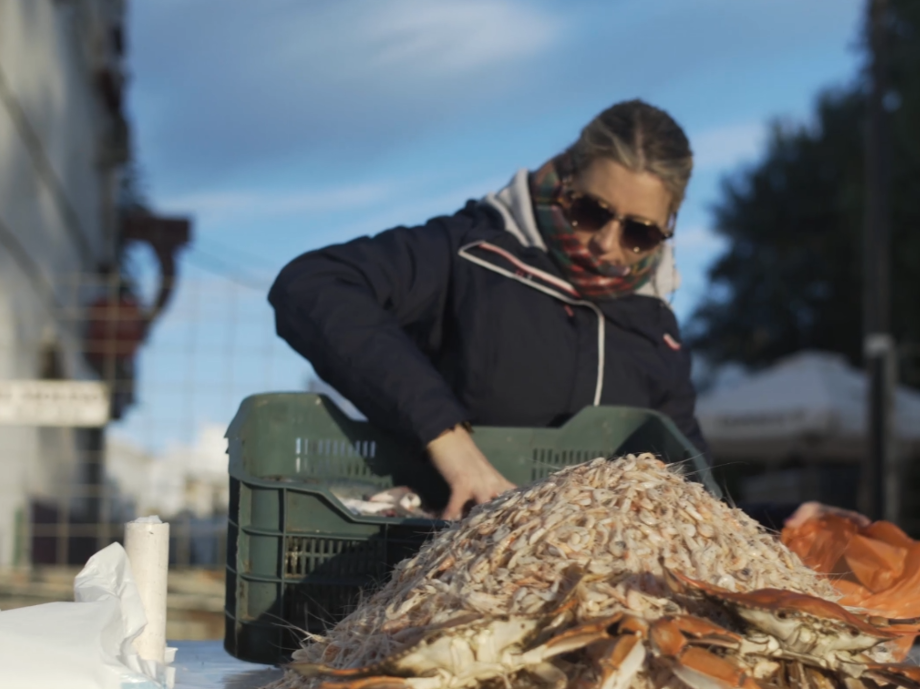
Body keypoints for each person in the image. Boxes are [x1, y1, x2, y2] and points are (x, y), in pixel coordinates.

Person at [269, 99, 705, 520]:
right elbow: (310, 285)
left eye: (639, 233)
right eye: (591, 211)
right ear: (567, 178)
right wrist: (446, 438)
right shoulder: (470, 253)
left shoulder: (658, 331)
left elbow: (690, 479)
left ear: (669, 227)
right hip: (437, 548)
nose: (606, 243)